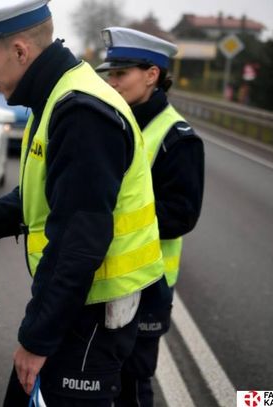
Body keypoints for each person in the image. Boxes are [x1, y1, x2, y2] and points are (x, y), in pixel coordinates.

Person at [0, 2, 164, 406]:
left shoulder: (80, 112)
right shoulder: (58, 95)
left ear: (21, 51)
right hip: (77, 307)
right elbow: (47, 196)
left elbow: (77, 244)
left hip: (91, 314)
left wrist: (36, 339)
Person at [95, 27, 205, 406]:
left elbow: (181, 216)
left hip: (149, 282)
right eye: (110, 74)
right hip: (108, 277)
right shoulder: (116, 120)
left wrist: (105, 215)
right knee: (103, 379)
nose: (112, 82)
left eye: (120, 74)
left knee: (132, 384)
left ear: (152, 74)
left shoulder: (178, 138)